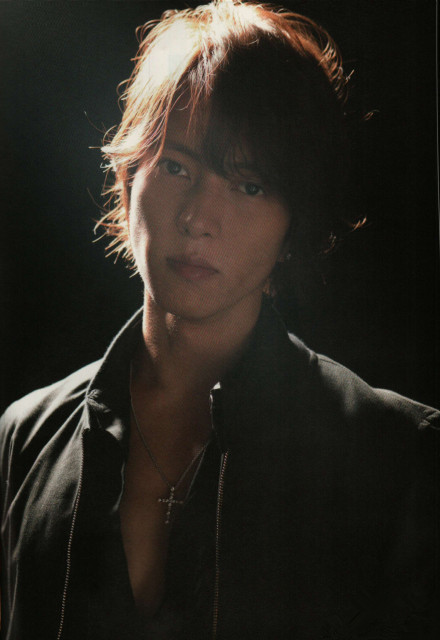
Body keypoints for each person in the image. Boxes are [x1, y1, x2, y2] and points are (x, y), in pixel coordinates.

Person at [0, 1, 438, 638]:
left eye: (249, 185)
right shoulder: (27, 438)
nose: (199, 218)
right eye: (177, 166)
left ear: (293, 227)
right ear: (128, 179)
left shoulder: (395, 456)